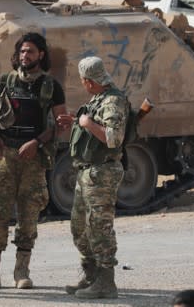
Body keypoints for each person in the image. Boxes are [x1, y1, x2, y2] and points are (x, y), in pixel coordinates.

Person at [0, 32, 69, 290]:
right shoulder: (5, 81)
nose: (25, 56)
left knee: (28, 215)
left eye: (30, 51)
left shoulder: (50, 86)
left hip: (32, 158)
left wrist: (38, 142)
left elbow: (59, 123)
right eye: (22, 52)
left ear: (41, 54)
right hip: (4, 155)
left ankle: (21, 271)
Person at [61, 56, 129, 299]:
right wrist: (76, 123)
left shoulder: (112, 101)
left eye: (83, 81)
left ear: (88, 81)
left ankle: (106, 282)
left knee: (99, 227)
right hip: (88, 172)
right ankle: (91, 275)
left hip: (102, 173)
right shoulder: (98, 98)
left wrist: (87, 123)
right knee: (80, 227)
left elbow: (113, 138)